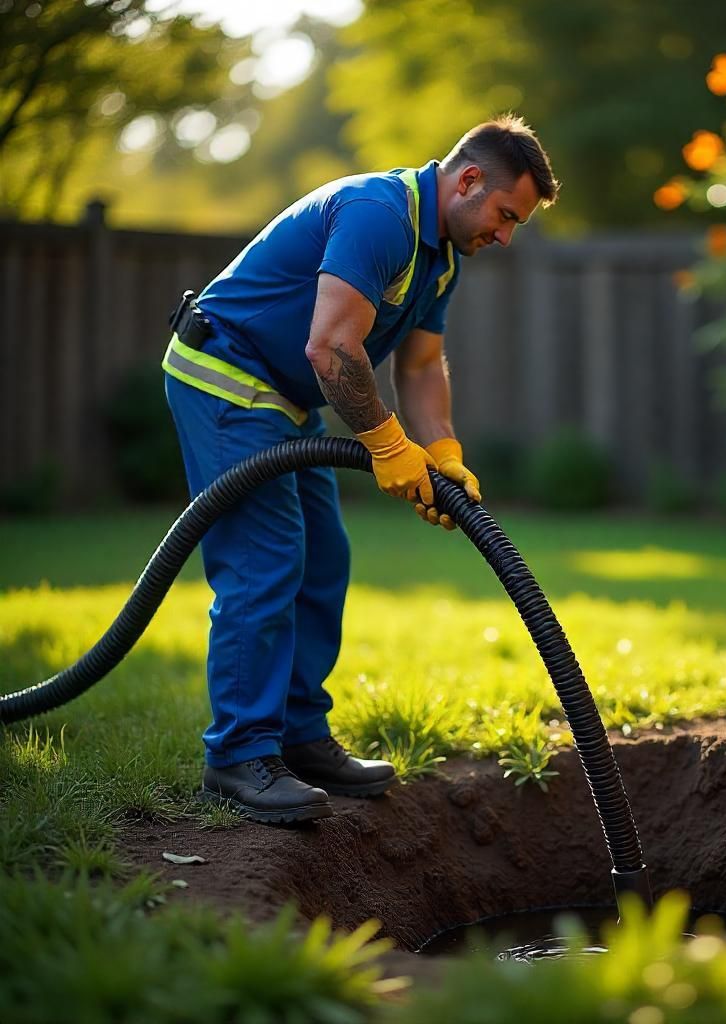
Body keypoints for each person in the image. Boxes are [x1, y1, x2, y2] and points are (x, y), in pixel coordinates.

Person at [162, 115, 559, 824]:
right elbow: (331, 347)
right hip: (226, 378)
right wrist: (385, 443)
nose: (505, 236)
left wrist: (442, 453)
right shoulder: (380, 216)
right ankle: (238, 757)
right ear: (468, 180)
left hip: (285, 401)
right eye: (504, 215)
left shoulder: (441, 256)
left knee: (322, 559)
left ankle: (298, 736)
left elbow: (422, 362)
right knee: (266, 560)